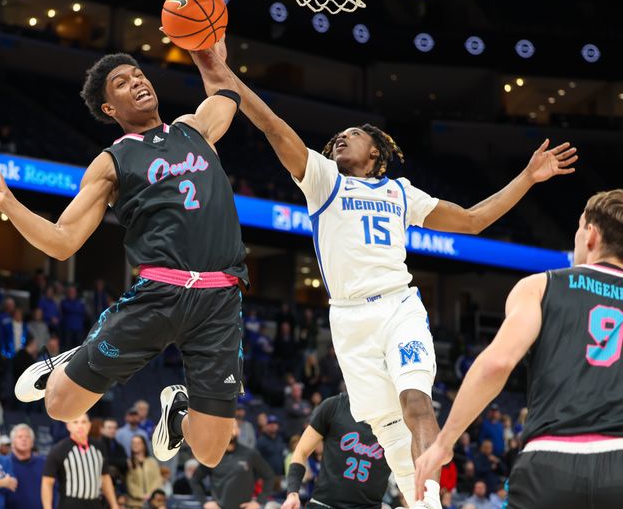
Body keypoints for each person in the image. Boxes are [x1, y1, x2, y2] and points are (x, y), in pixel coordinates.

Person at [209, 42, 578, 509]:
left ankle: (426, 497)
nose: (340, 138)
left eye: (352, 135)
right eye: (337, 136)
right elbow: (272, 126)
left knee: (416, 404)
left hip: (397, 304)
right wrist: (228, 78)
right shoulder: (324, 179)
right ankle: (424, 502)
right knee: (388, 433)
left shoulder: (401, 192)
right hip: (346, 320)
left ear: (377, 154)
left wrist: (527, 177)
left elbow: (471, 220)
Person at [0, 45, 247, 468]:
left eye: (137, 74)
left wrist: (207, 50)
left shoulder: (194, 129)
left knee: (209, 453)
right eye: (122, 82)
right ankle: (73, 358)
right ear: (108, 106)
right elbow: (62, 241)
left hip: (220, 300)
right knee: (59, 406)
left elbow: (226, 91)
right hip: (157, 296)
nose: (137, 81)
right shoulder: (111, 162)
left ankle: (178, 410)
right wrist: (8, 201)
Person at [414, 189, 623, 508]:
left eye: (579, 228)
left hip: (550, 462)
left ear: (591, 235)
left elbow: (497, 363)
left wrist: (443, 443)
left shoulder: (541, 285)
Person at [283, 393, 391, 509]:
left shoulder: (399, 419)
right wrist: (293, 493)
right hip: (324, 504)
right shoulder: (335, 405)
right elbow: (301, 452)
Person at [42, 413, 119, 509]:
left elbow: (105, 478)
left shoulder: (99, 447)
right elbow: (47, 482)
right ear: (68, 426)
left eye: (83, 422)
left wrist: (114, 505)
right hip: (70, 504)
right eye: (75, 422)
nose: (80, 426)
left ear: (89, 425)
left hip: (95, 503)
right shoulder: (59, 450)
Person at [190, 424, 275, 509]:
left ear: (239, 431)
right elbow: (195, 480)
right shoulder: (213, 455)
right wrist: (204, 502)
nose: (230, 430)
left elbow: (269, 476)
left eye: (233, 427)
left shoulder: (250, 454)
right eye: (226, 427)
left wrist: (258, 502)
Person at [7, 424, 46, 509]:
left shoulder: (44, 463)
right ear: (12, 442)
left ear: (32, 442)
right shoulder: (4, 463)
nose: (24, 439)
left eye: (27, 437)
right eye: (20, 437)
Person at [125, 434, 162, 509]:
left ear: (144, 445)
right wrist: (141, 495)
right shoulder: (129, 463)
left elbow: (157, 480)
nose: (135, 445)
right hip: (134, 503)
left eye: (138, 443)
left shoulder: (152, 462)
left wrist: (151, 494)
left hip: (152, 502)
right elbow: (130, 483)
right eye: (133, 443)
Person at [98, 418, 129, 483]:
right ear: (102, 429)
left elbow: (126, 462)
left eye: (115, 428)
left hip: (119, 480)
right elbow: (103, 461)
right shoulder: (98, 445)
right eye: (109, 428)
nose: (112, 430)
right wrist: (121, 462)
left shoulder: (119, 446)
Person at [60, 285, 86, 349]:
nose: (72, 293)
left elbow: (83, 310)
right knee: (67, 348)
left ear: (76, 293)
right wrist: (76, 308)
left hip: (79, 328)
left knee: (79, 348)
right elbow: (67, 308)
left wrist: (73, 309)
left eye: (73, 292)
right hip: (68, 328)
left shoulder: (80, 301)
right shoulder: (64, 301)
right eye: (70, 292)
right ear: (67, 293)